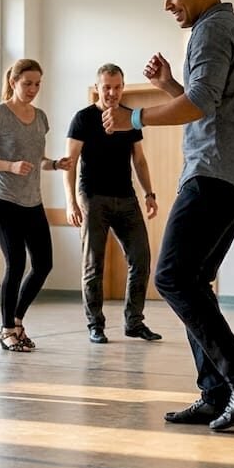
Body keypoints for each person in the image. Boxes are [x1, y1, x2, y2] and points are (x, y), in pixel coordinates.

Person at [102, 0, 234, 433]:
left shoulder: (211, 29)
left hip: (214, 173)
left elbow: (199, 104)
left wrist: (134, 118)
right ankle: (215, 392)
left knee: (173, 277)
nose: (168, 5)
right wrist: (168, 86)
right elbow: (209, 101)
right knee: (194, 281)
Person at [0, 59, 71, 353]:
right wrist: (9, 166)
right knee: (15, 263)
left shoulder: (40, 117)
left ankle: (17, 320)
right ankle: (6, 330)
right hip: (2, 199)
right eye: (27, 83)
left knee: (43, 264)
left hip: (32, 200)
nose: (33, 89)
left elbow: (37, 159)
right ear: (13, 82)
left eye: (37, 84)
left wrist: (55, 164)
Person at [64, 63, 162, 345]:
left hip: (126, 197)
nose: (112, 93)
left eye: (117, 87)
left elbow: (139, 160)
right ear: (98, 88)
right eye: (106, 87)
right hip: (93, 197)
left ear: (123, 87)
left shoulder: (130, 118)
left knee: (141, 259)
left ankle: (134, 322)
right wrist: (71, 202)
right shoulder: (83, 118)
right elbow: (70, 163)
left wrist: (150, 194)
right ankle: (95, 325)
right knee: (93, 264)